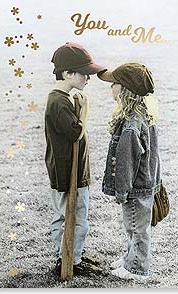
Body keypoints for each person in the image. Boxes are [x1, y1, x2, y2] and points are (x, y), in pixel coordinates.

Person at [44, 42, 106, 276]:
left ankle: (72, 255)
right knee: (72, 215)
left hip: (73, 169)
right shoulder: (58, 102)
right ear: (68, 73)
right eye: (85, 73)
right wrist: (85, 108)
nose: (88, 79)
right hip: (67, 171)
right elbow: (75, 131)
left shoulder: (62, 98)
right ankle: (68, 259)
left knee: (74, 214)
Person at [97, 63, 161, 280]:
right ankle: (130, 258)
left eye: (113, 84)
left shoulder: (132, 125)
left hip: (136, 188)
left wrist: (121, 191)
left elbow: (126, 162)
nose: (110, 87)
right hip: (144, 184)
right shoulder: (142, 115)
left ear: (124, 89)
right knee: (134, 226)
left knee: (136, 228)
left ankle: (137, 268)